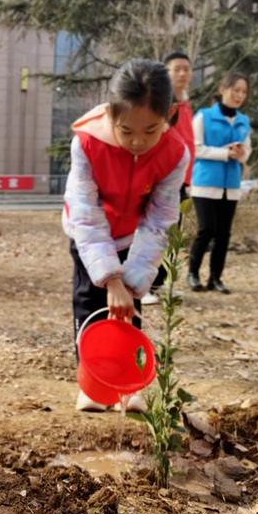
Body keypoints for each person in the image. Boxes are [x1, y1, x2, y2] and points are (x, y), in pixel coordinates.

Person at [63, 59, 188, 412]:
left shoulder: (174, 153)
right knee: (91, 301)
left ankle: (126, 383)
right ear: (110, 114)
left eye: (150, 131)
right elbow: (87, 216)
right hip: (90, 232)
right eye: (126, 130)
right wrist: (111, 279)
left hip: (133, 234)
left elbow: (160, 219)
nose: (137, 142)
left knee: (127, 310)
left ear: (170, 114)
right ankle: (94, 383)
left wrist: (130, 282)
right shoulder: (87, 144)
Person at [187, 72, 252, 294]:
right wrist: (225, 153)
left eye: (243, 92)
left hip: (231, 185)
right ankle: (193, 273)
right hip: (205, 182)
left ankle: (215, 278)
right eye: (236, 90)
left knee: (224, 233)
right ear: (223, 89)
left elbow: (247, 152)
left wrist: (241, 154)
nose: (239, 95)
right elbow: (195, 148)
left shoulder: (244, 121)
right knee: (206, 230)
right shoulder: (203, 117)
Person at [141, 50, 196, 306]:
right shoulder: (159, 103)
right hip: (161, 178)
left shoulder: (185, 104)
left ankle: (161, 283)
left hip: (182, 179)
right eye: (177, 69)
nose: (183, 73)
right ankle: (145, 284)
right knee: (154, 229)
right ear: (165, 73)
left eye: (186, 69)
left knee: (173, 232)